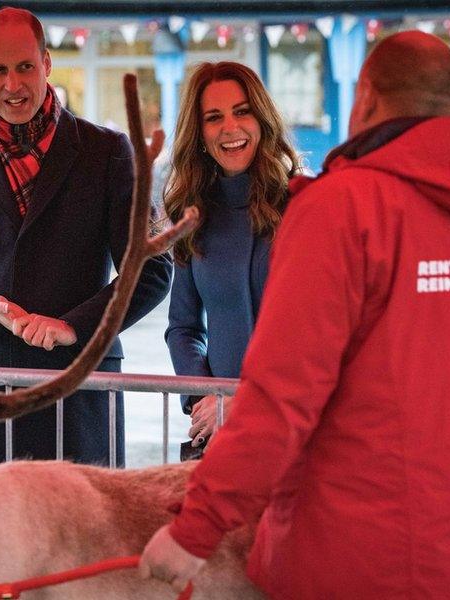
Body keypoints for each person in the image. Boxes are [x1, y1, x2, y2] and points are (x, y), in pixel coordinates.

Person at [140, 31, 450, 599]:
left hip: (340, 550)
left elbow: (285, 390)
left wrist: (197, 528)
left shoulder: (335, 207)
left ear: (363, 98)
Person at [0, 7, 171, 468]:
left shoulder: (106, 153)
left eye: (25, 66)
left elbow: (150, 269)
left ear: (46, 64)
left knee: (85, 537)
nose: (13, 84)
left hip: (79, 386)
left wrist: (74, 326)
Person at [162, 62, 300, 450]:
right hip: (223, 436)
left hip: (295, 427)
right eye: (214, 117)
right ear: (200, 134)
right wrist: (207, 398)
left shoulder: (305, 204)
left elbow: (321, 331)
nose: (231, 128)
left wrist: (246, 404)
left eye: (242, 111)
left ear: (262, 119)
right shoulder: (193, 215)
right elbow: (183, 328)